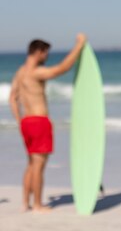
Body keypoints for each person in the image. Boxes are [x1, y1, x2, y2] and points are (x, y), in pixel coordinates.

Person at [9, 34, 87, 213]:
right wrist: (79, 46)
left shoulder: (20, 72)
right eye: (45, 54)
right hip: (39, 122)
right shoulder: (36, 72)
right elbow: (61, 69)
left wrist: (19, 120)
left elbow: (13, 97)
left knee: (30, 163)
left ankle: (25, 203)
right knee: (39, 164)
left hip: (27, 122)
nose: (46, 57)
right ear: (37, 52)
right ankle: (37, 204)